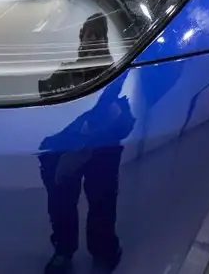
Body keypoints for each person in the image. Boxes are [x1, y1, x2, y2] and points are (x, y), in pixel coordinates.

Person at [38, 14, 136, 274]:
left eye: (99, 35)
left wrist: (112, 116)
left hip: (103, 149)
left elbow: (127, 122)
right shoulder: (63, 72)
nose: (93, 40)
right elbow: (45, 103)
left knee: (103, 202)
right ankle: (63, 251)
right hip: (65, 147)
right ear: (81, 38)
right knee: (60, 203)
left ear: (106, 41)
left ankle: (104, 251)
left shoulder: (116, 75)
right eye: (89, 34)